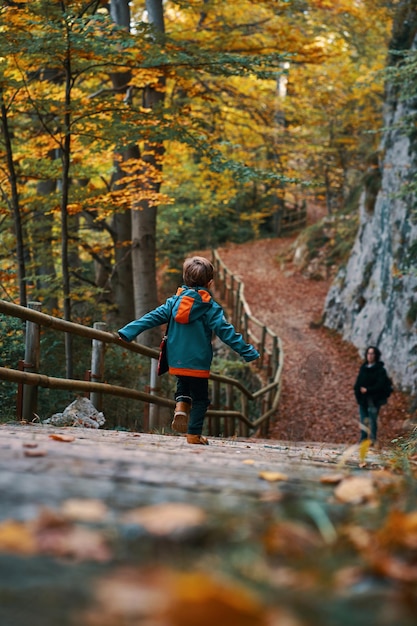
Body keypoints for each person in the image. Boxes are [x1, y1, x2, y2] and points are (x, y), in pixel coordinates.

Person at [117, 256, 260, 445]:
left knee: (183, 385)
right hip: (198, 361)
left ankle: (181, 407)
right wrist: (248, 351)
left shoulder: (173, 303)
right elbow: (227, 332)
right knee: (200, 398)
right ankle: (193, 435)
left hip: (176, 358)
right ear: (209, 283)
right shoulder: (210, 308)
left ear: (185, 279)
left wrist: (127, 332)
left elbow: (150, 318)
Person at [353, 345, 389, 445]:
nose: (370, 356)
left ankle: (373, 440)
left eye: (372, 353)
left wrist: (368, 390)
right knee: (363, 420)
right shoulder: (363, 368)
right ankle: (363, 440)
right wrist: (358, 393)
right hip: (363, 400)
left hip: (374, 400)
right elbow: (358, 383)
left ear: (376, 355)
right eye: (368, 353)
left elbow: (381, 385)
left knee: (372, 420)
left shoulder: (380, 370)